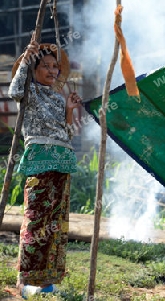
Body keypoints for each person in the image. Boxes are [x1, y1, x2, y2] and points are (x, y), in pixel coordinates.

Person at [8, 33, 82, 298]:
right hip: (39, 160)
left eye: (55, 66)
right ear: (33, 69)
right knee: (36, 219)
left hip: (62, 163)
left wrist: (70, 110)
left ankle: (47, 280)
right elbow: (13, 90)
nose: (52, 70)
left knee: (56, 222)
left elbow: (66, 133)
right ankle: (24, 280)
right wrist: (27, 58)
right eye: (45, 66)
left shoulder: (57, 98)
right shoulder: (27, 91)